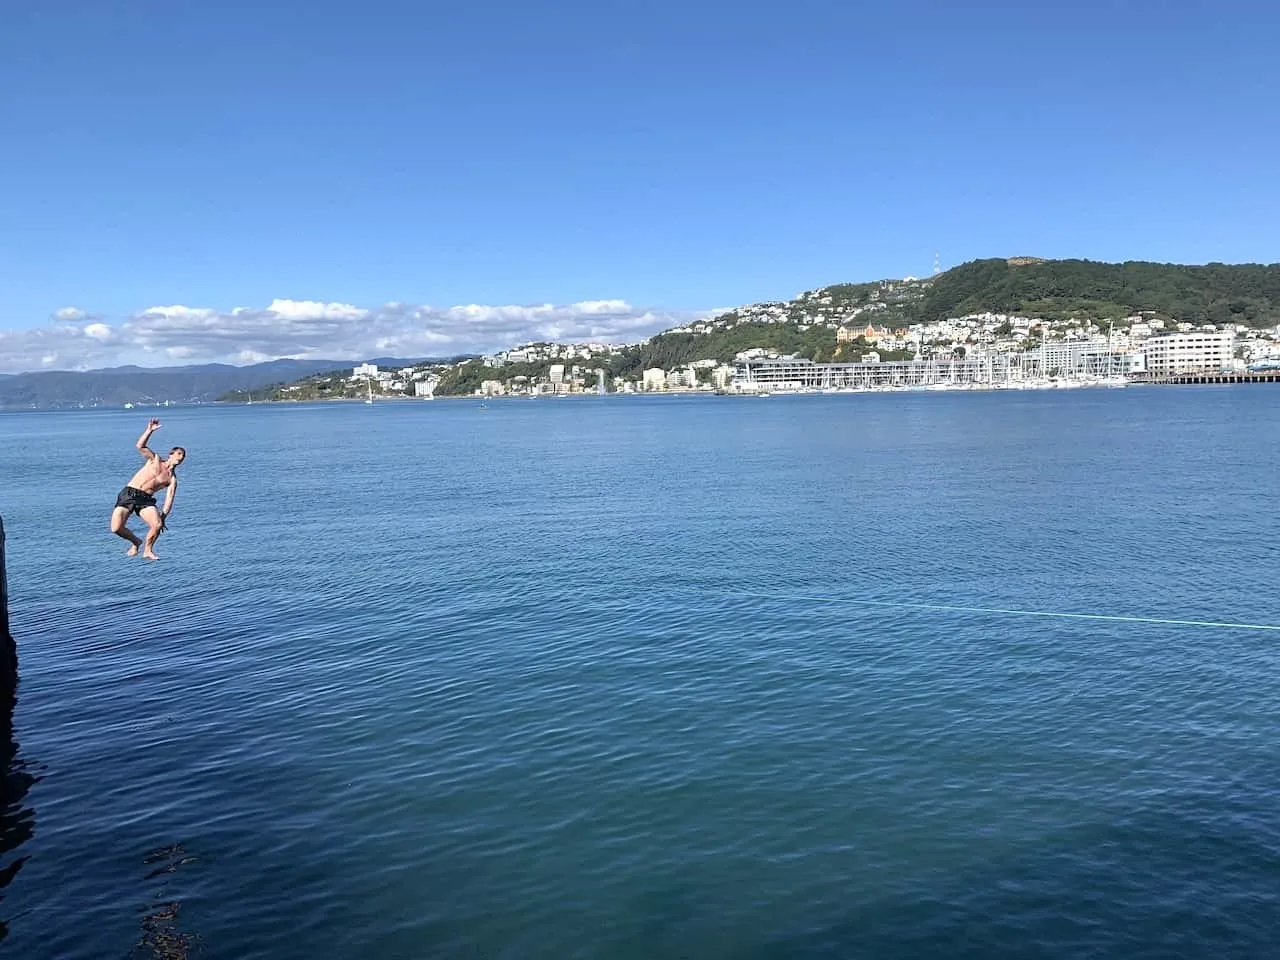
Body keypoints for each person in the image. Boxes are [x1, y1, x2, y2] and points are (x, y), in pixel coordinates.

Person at [110, 418, 186, 560]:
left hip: (145, 500)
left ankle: (148, 550)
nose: (181, 458)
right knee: (116, 528)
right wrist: (149, 431)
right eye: (179, 454)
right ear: (171, 454)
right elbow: (140, 446)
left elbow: (169, 501)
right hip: (129, 493)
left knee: (156, 524)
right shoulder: (154, 459)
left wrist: (163, 517)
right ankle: (136, 542)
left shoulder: (172, 479)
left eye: (183, 456)